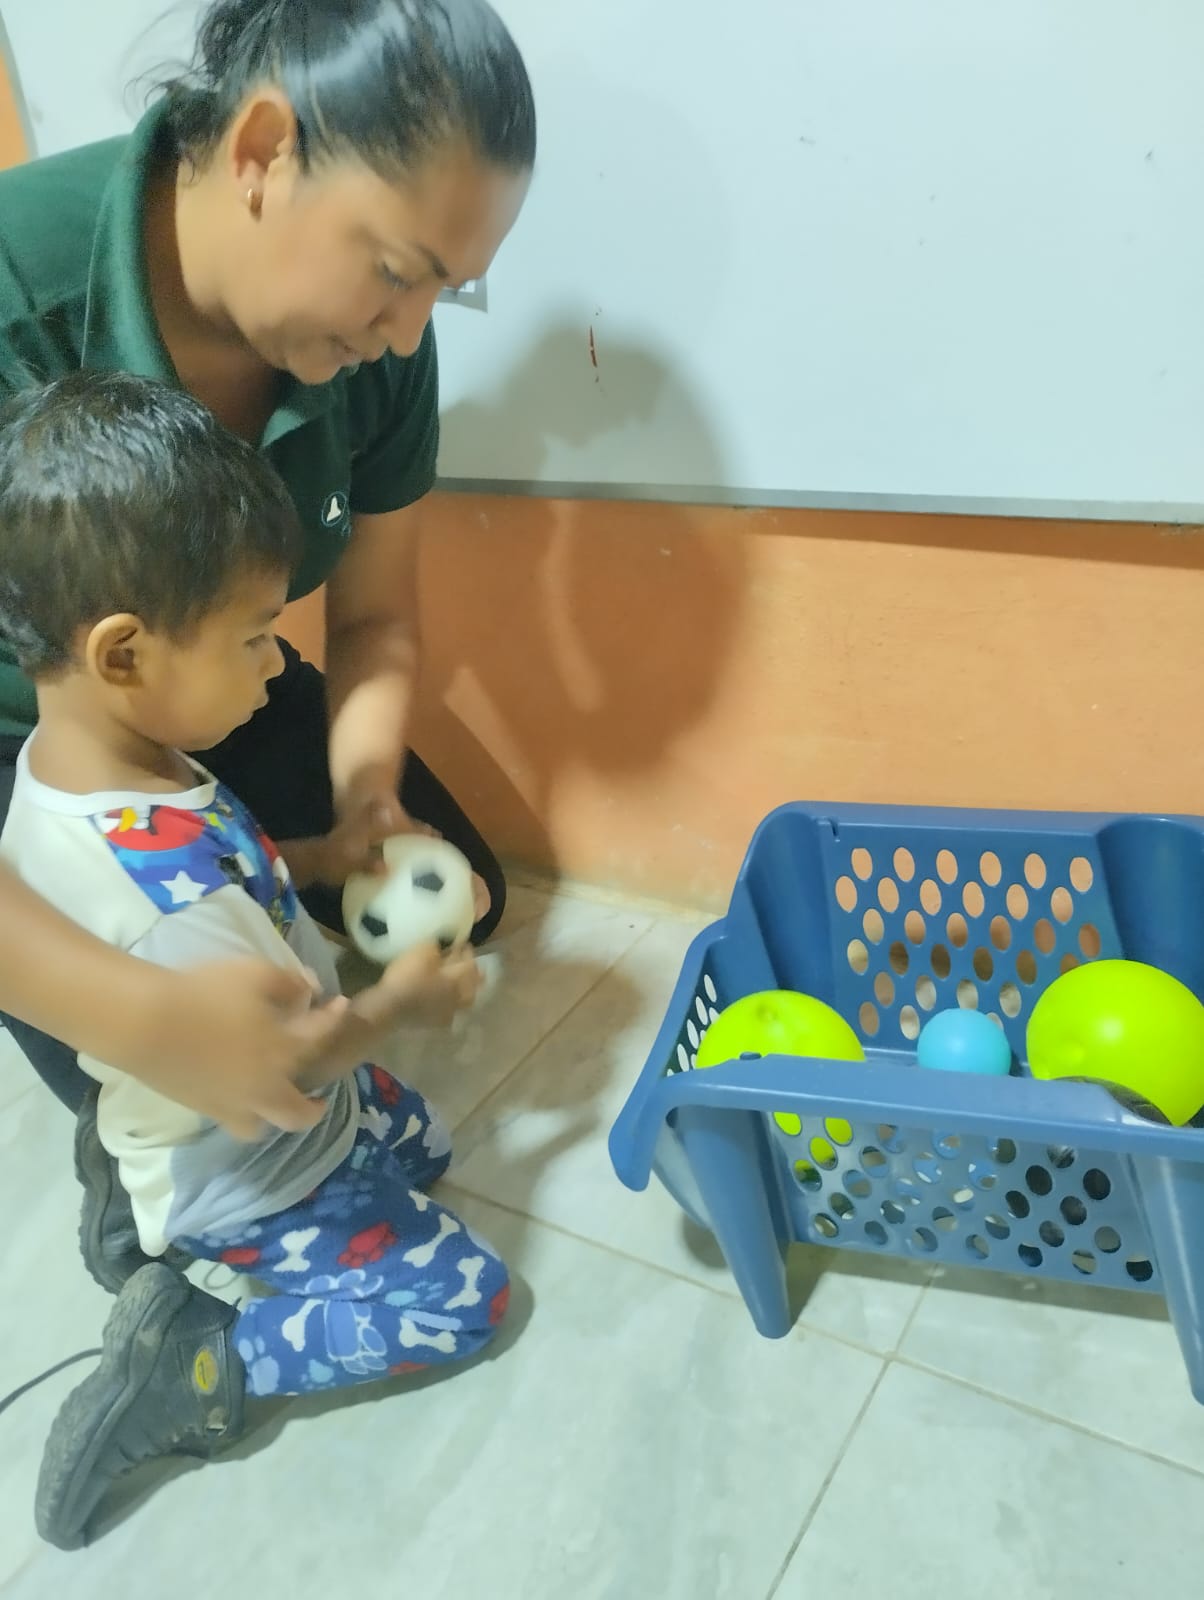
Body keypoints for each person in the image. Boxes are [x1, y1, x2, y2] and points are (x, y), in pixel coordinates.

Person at [0, 371, 511, 1551]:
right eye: (250, 637)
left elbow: (229, 857)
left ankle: (128, 1183)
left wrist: (322, 854)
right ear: (124, 651)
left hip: (236, 1114)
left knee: (425, 1142)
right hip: (252, 1164)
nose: (278, 666)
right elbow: (284, 1062)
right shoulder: (158, 909)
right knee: (462, 1297)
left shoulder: (104, 763)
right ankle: (203, 1360)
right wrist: (399, 1001)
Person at [0, 0, 535, 1124]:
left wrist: (367, 800)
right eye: (394, 270)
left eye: (442, 289)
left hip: (206, 682)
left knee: (455, 900)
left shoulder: (380, 349)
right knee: (175, 1071)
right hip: (36, 744)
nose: (406, 333)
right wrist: (133, 1018)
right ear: (261, 151)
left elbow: (374, 618)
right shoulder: (18, 282)